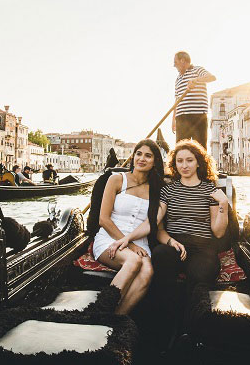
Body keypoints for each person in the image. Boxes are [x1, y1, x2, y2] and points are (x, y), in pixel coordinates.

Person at [149, 139, 229, 330]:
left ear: (199, 162)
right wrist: (171, 242)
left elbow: (218, 233)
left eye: (189, 160)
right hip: (174, 244)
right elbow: (158, 228)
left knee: (199, 274)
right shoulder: (168, 190)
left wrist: (223, 205)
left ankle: (189, 328)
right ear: (174, 164)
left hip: (203, 247)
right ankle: (167, 325)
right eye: (180, 161)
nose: (184, 165)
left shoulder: (211, 190)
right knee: (160, 256)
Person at [92, 139, 165, 315]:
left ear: (155, 161)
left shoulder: (157, 189)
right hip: (110, 239)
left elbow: (158, 227)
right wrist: (129, 244)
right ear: (133, 157)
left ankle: (117, 318)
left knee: (147, 271)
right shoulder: (116, 179)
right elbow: (103, 219)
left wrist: (172, 242)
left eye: (148, 156)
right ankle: (102, 311)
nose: (142, 158)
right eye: (139, 154)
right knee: (133, 261)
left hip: (141, 244)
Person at [171, 51, 215, 148]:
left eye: (175, 62)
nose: (174, 65)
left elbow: (212, 77)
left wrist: (196, 80)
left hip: (198, 116)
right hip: (181, 118)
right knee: (180, 149)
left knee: (200, 149)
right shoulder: (178, 79)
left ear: (182, 60)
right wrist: (173, 119)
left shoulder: (197, 70)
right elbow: (177, 100)